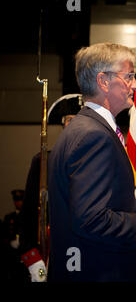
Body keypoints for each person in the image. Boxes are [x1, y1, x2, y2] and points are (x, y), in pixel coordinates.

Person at [47, 42, 136, 282]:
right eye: (129, 76)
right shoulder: (94, 135)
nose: (135, 84)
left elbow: (87, 208)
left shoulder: (85, 128)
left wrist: (131, 212)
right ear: (103, 81)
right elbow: (90, 220)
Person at [19, 93, 84, 282]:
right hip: (49, 255)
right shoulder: (43, 162)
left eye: (80, 121)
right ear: (63, 124)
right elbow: (28, 215)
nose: (74, 126)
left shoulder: (98, 162)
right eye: (70, 120)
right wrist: (35, 265)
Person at [2, 190, 28, 282]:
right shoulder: (9, 217)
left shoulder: (28, 217)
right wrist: (10, 242)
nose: (18, 202)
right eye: (16, 200)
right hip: (12, 256)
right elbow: (4, 234)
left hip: (25, 254)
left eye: (20, 200)